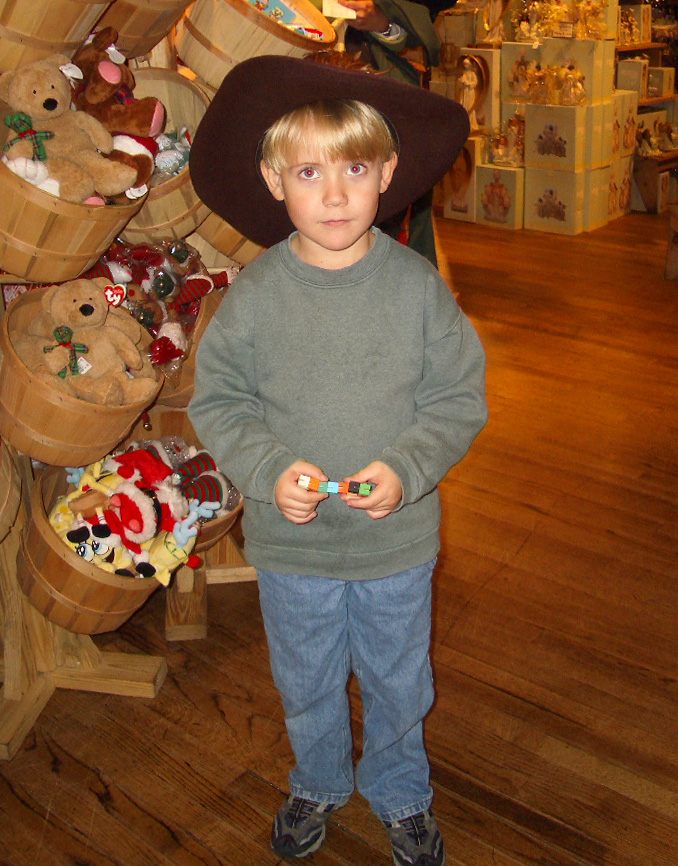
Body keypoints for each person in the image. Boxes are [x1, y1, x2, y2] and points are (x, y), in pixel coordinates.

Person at [188, 54, 487, 866]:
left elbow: (456, 397)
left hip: (397, 544)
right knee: (306, 678)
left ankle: (400, 789)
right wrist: (266, 468)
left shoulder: (417, 288)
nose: (333, 194)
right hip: (293, 549)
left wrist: (408, 468)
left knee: (399, 678)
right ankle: (318, 778)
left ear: (386, 173)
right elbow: (220, 401)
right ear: (273, 180)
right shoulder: (255, 295)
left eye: (354, 168)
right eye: (308, 172)